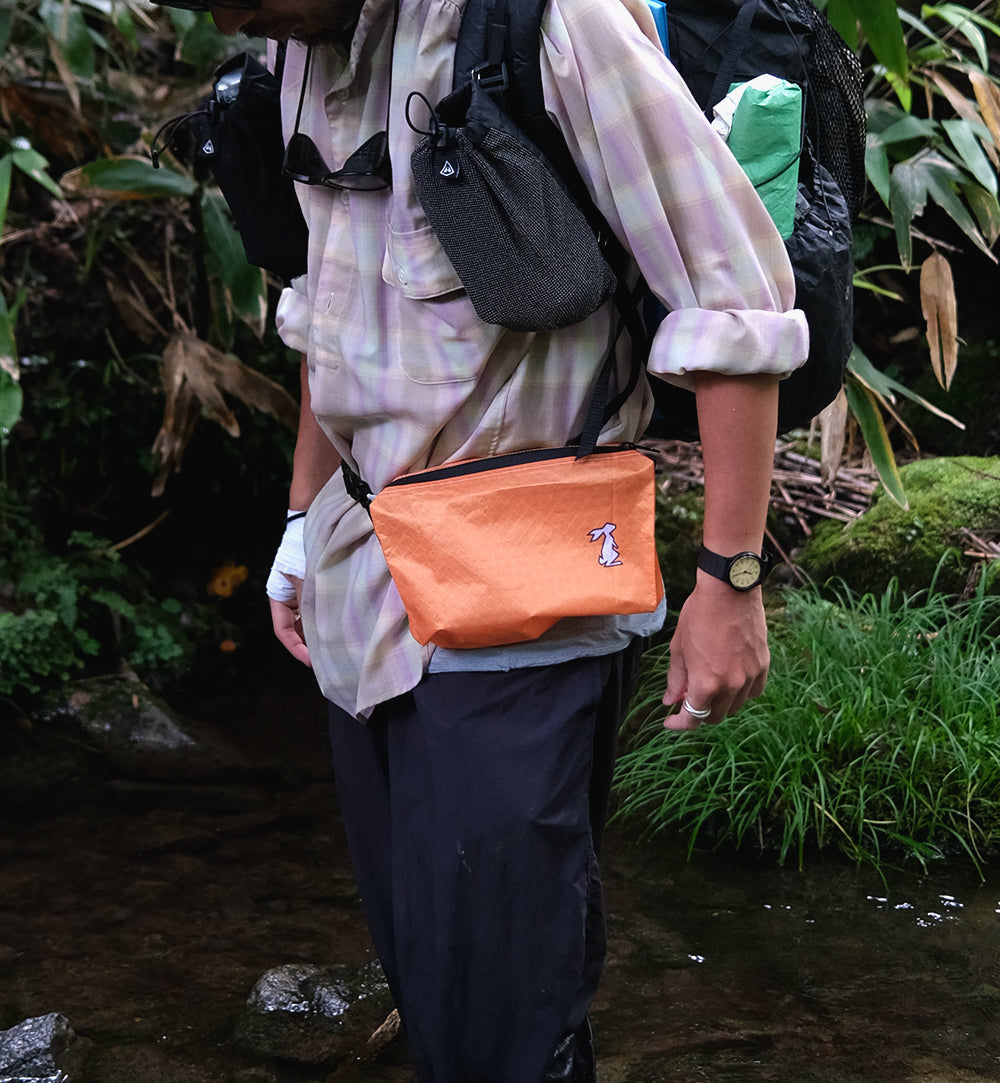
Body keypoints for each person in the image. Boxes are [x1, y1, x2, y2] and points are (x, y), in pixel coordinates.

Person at [156, 0, 808, 1077]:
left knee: (508, 1016)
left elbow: (733, 298)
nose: (226, 12)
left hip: (526, 586)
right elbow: (327, 307)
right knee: (435, 990)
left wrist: (730, 580)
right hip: (364, 574)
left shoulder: (552, 25)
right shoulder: (297, 42)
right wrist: (299, 521)